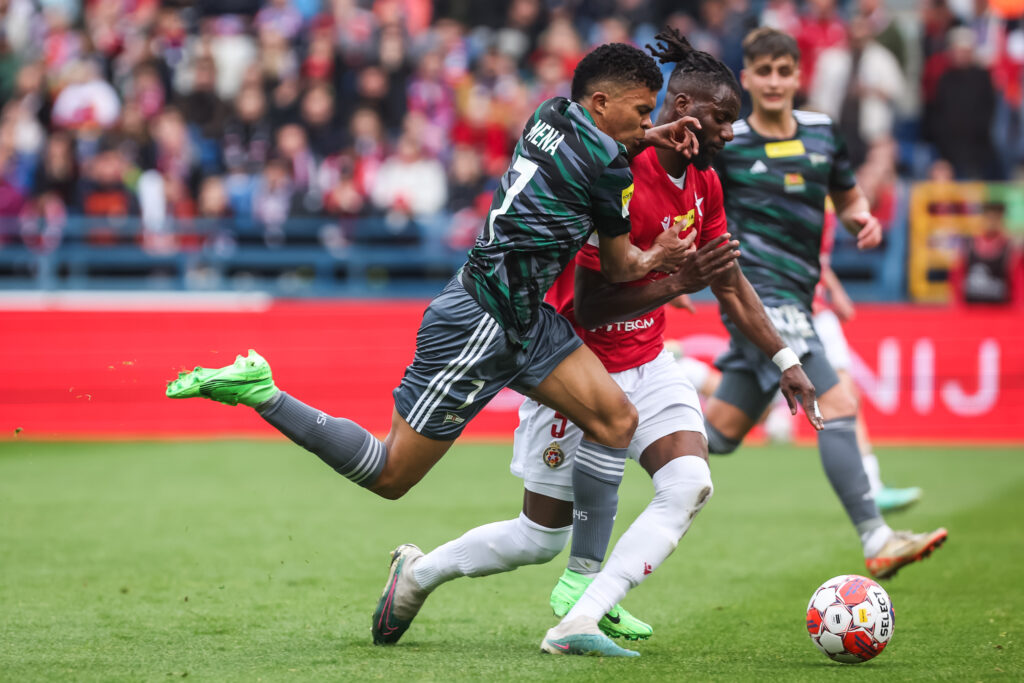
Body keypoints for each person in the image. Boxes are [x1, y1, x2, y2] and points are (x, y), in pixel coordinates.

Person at [165, 43, 698, 586]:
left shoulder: (550, 114)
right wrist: (662, 257)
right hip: (481, 322)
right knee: (390, 473)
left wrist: (648, 136)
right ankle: (263, 392)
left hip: (522, 316)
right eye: (642, 111)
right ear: (602, 103)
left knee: (616, 419)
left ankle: (581, 588)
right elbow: (620, 268)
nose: (647, 122)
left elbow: (597, 152)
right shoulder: (610, 168)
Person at [368, 29, 821, 658]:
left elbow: (728, 281)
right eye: (722, 119)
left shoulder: (705, 185)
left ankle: (583, 614)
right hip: (575, 371)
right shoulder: (617, 171)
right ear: (682, 111)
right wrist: (673, 281)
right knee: (537, 538)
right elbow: (591, 304)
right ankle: (418, 574)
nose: (730, 133)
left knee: (689, 483)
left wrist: (784, 359)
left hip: (649, 362)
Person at [704, 27, 946, 581]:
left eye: (783, 70)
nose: (774, 81)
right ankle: (877, 539)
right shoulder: (729, 144)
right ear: (746, 78)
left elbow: (847, 195)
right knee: (835, 403)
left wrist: (861, 218)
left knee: (717, 435)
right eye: (763, 71)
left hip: (800, 296)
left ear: (798, 76)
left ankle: (607, 431)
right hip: (754, 297)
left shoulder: (822, 133)